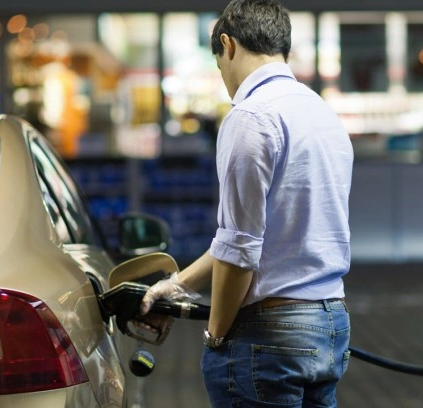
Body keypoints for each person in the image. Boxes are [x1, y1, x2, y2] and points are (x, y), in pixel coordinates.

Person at [138, 0, 354, 406]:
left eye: (218, 64)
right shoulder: (321, 113)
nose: (223, 77)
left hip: (269, 335)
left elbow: (240, 250)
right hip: (329, 324)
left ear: (228, 45)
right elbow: (255, 236)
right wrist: (179, 284)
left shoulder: (251, 116)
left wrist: (217, 335)